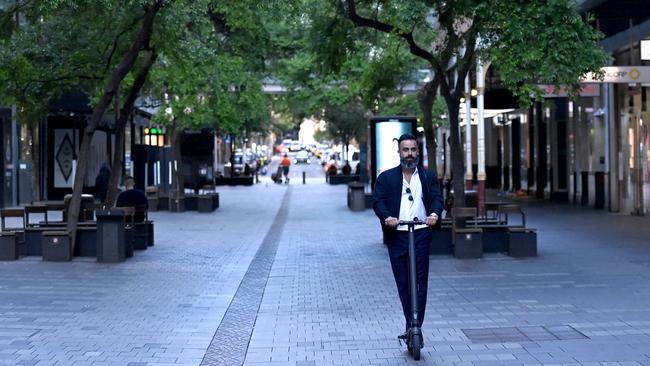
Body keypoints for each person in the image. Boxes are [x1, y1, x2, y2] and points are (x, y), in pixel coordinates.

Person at [372, 133, 444, 343]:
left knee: (420, 282)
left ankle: (416, 325)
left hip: (420, 233)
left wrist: (434, 214)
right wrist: (387, 218)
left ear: (418, 151)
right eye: (406, 150)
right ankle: (409, 319)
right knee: (403, 282)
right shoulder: (386, 178)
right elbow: (379, 202)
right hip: (398, 236)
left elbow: (437, 198)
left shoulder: (427, 176)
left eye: (413, 150)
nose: (410, 154)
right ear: (399, 152)